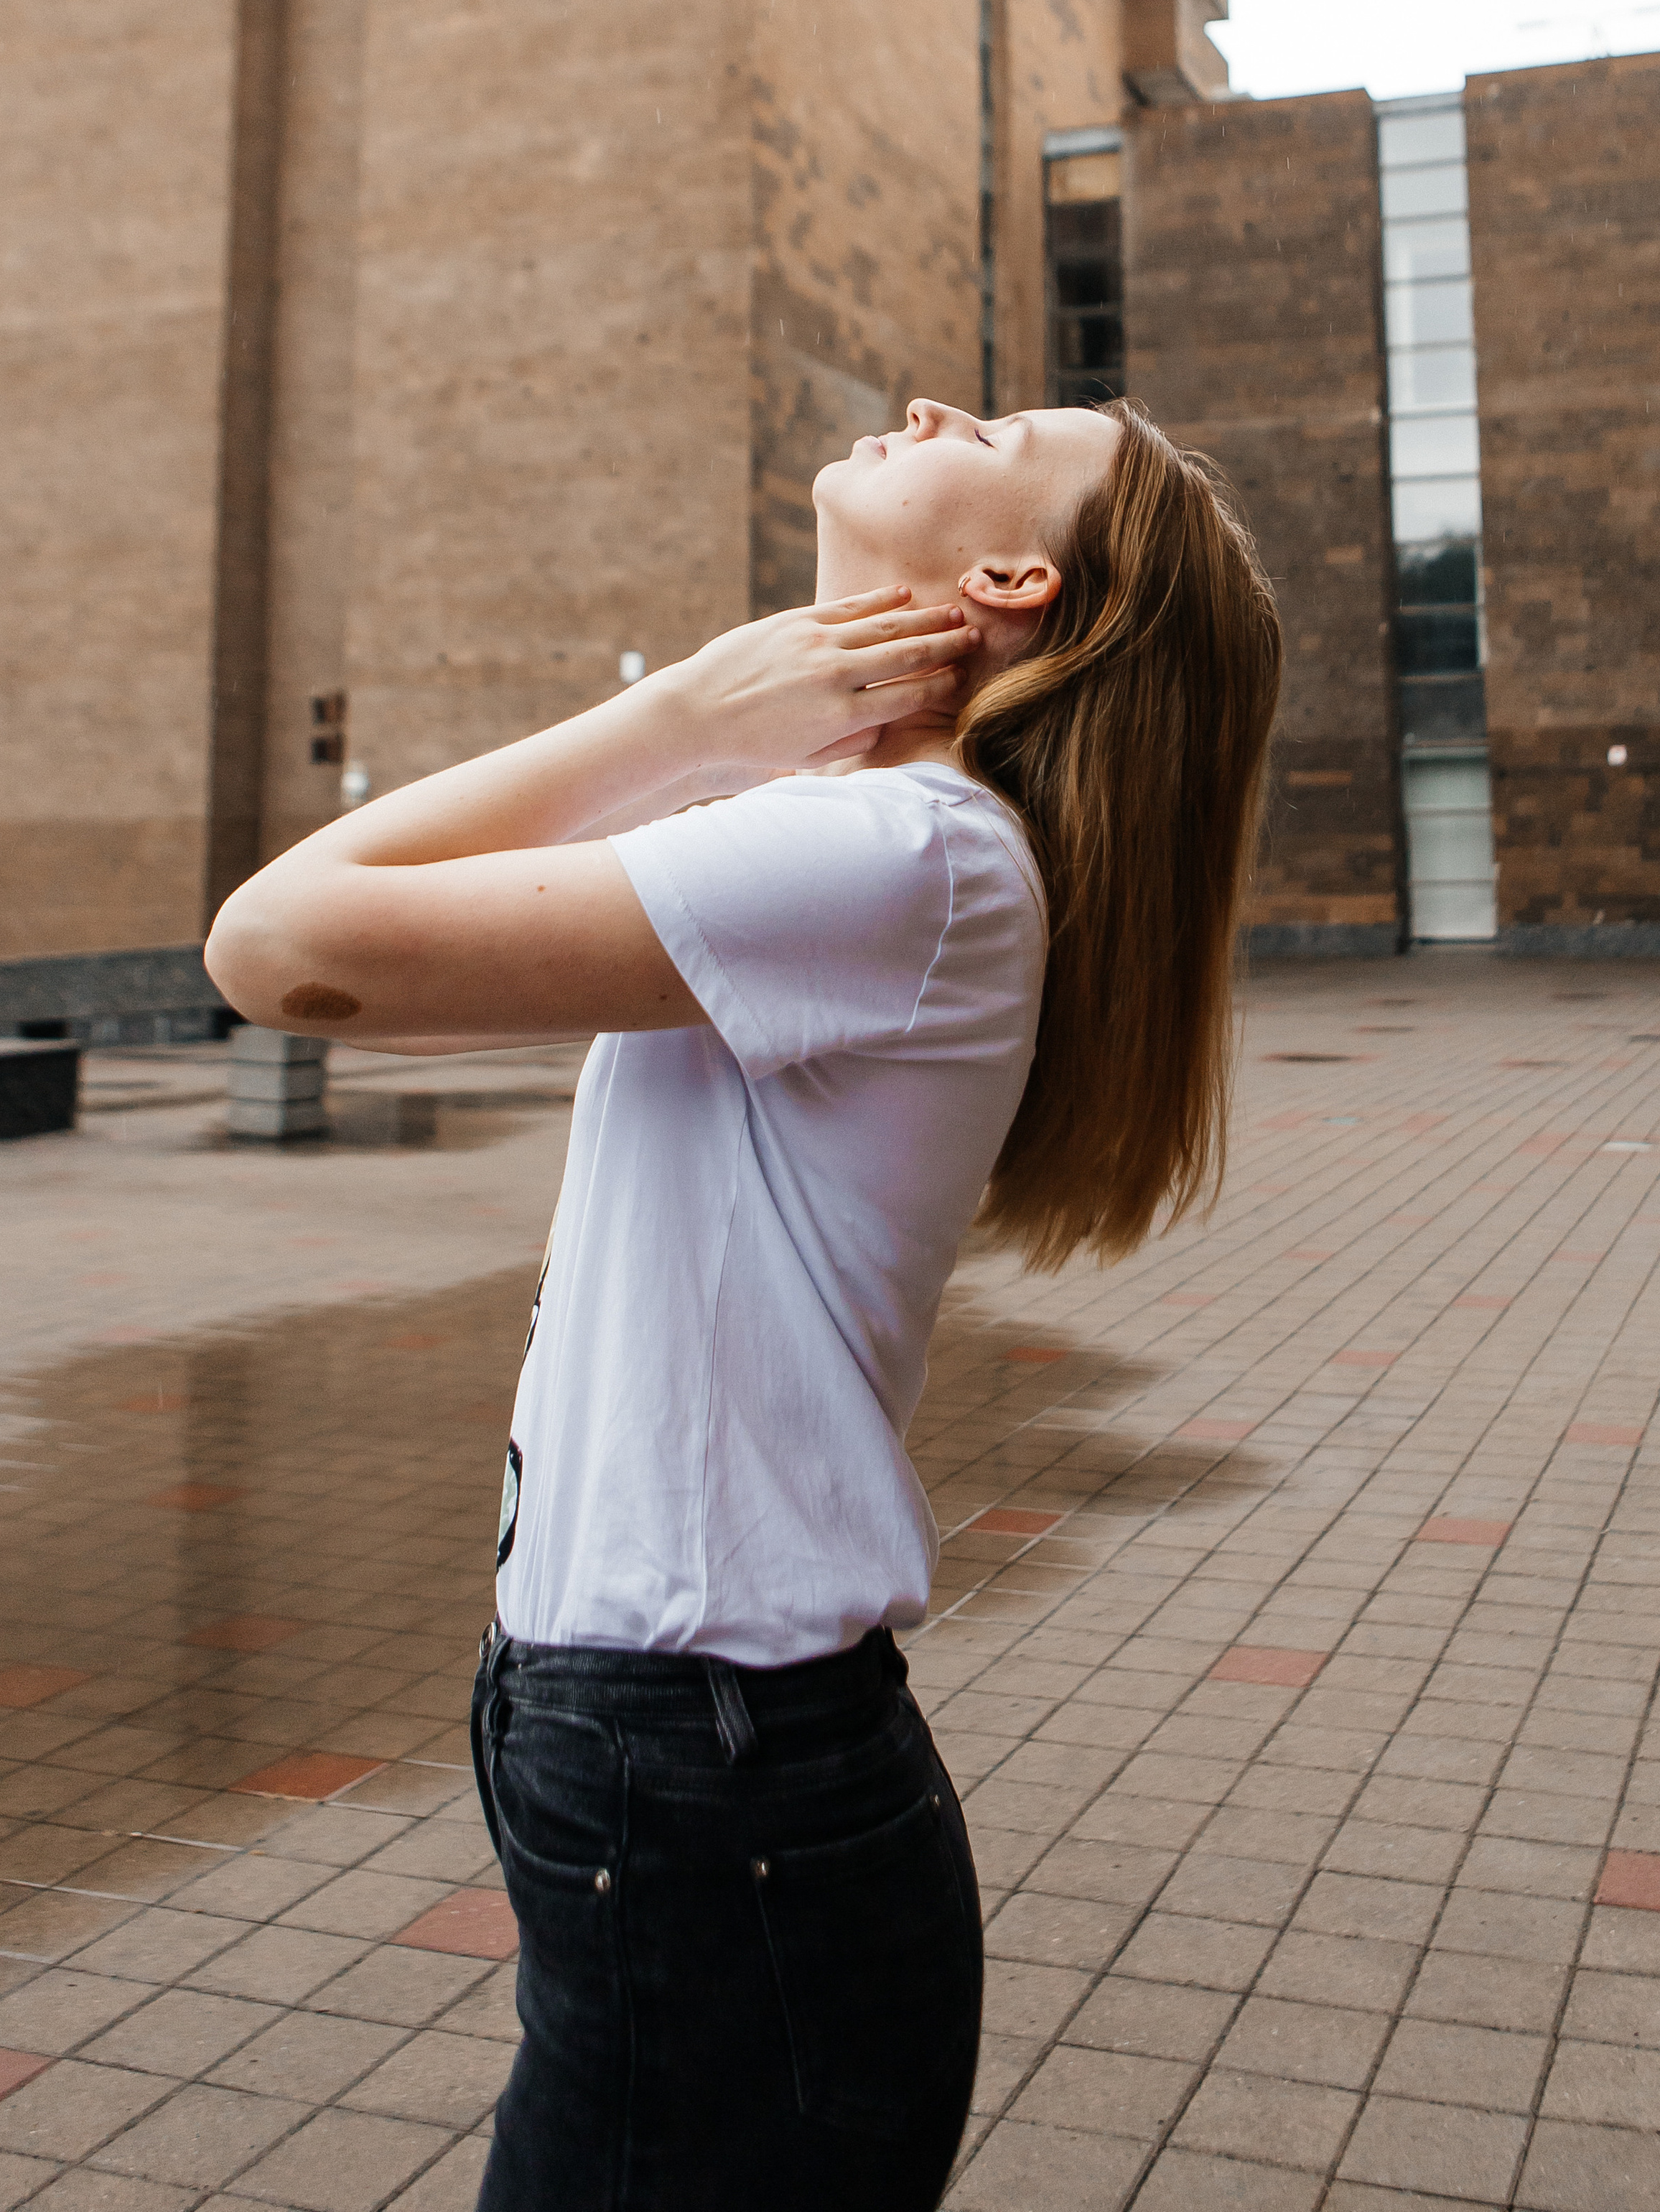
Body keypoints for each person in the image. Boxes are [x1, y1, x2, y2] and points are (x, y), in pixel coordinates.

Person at [205, 394, 1282, 2212]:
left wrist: (675, 712)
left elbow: (279, 945)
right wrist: (725, 727)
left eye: (1003, 425)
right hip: (697, 1765)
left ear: (1011, 578)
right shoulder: (846, 832)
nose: (934, 400)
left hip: (705, 1773)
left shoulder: (902, 861)